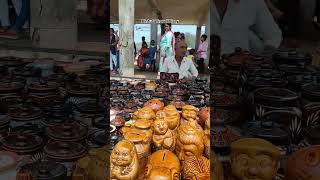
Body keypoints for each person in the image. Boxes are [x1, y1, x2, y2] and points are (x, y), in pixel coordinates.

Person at [213, 0, 282, 56]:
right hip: (205, 66)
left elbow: (273, 34)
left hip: (239, 67)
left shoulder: (252, 2)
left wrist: (270, 47)